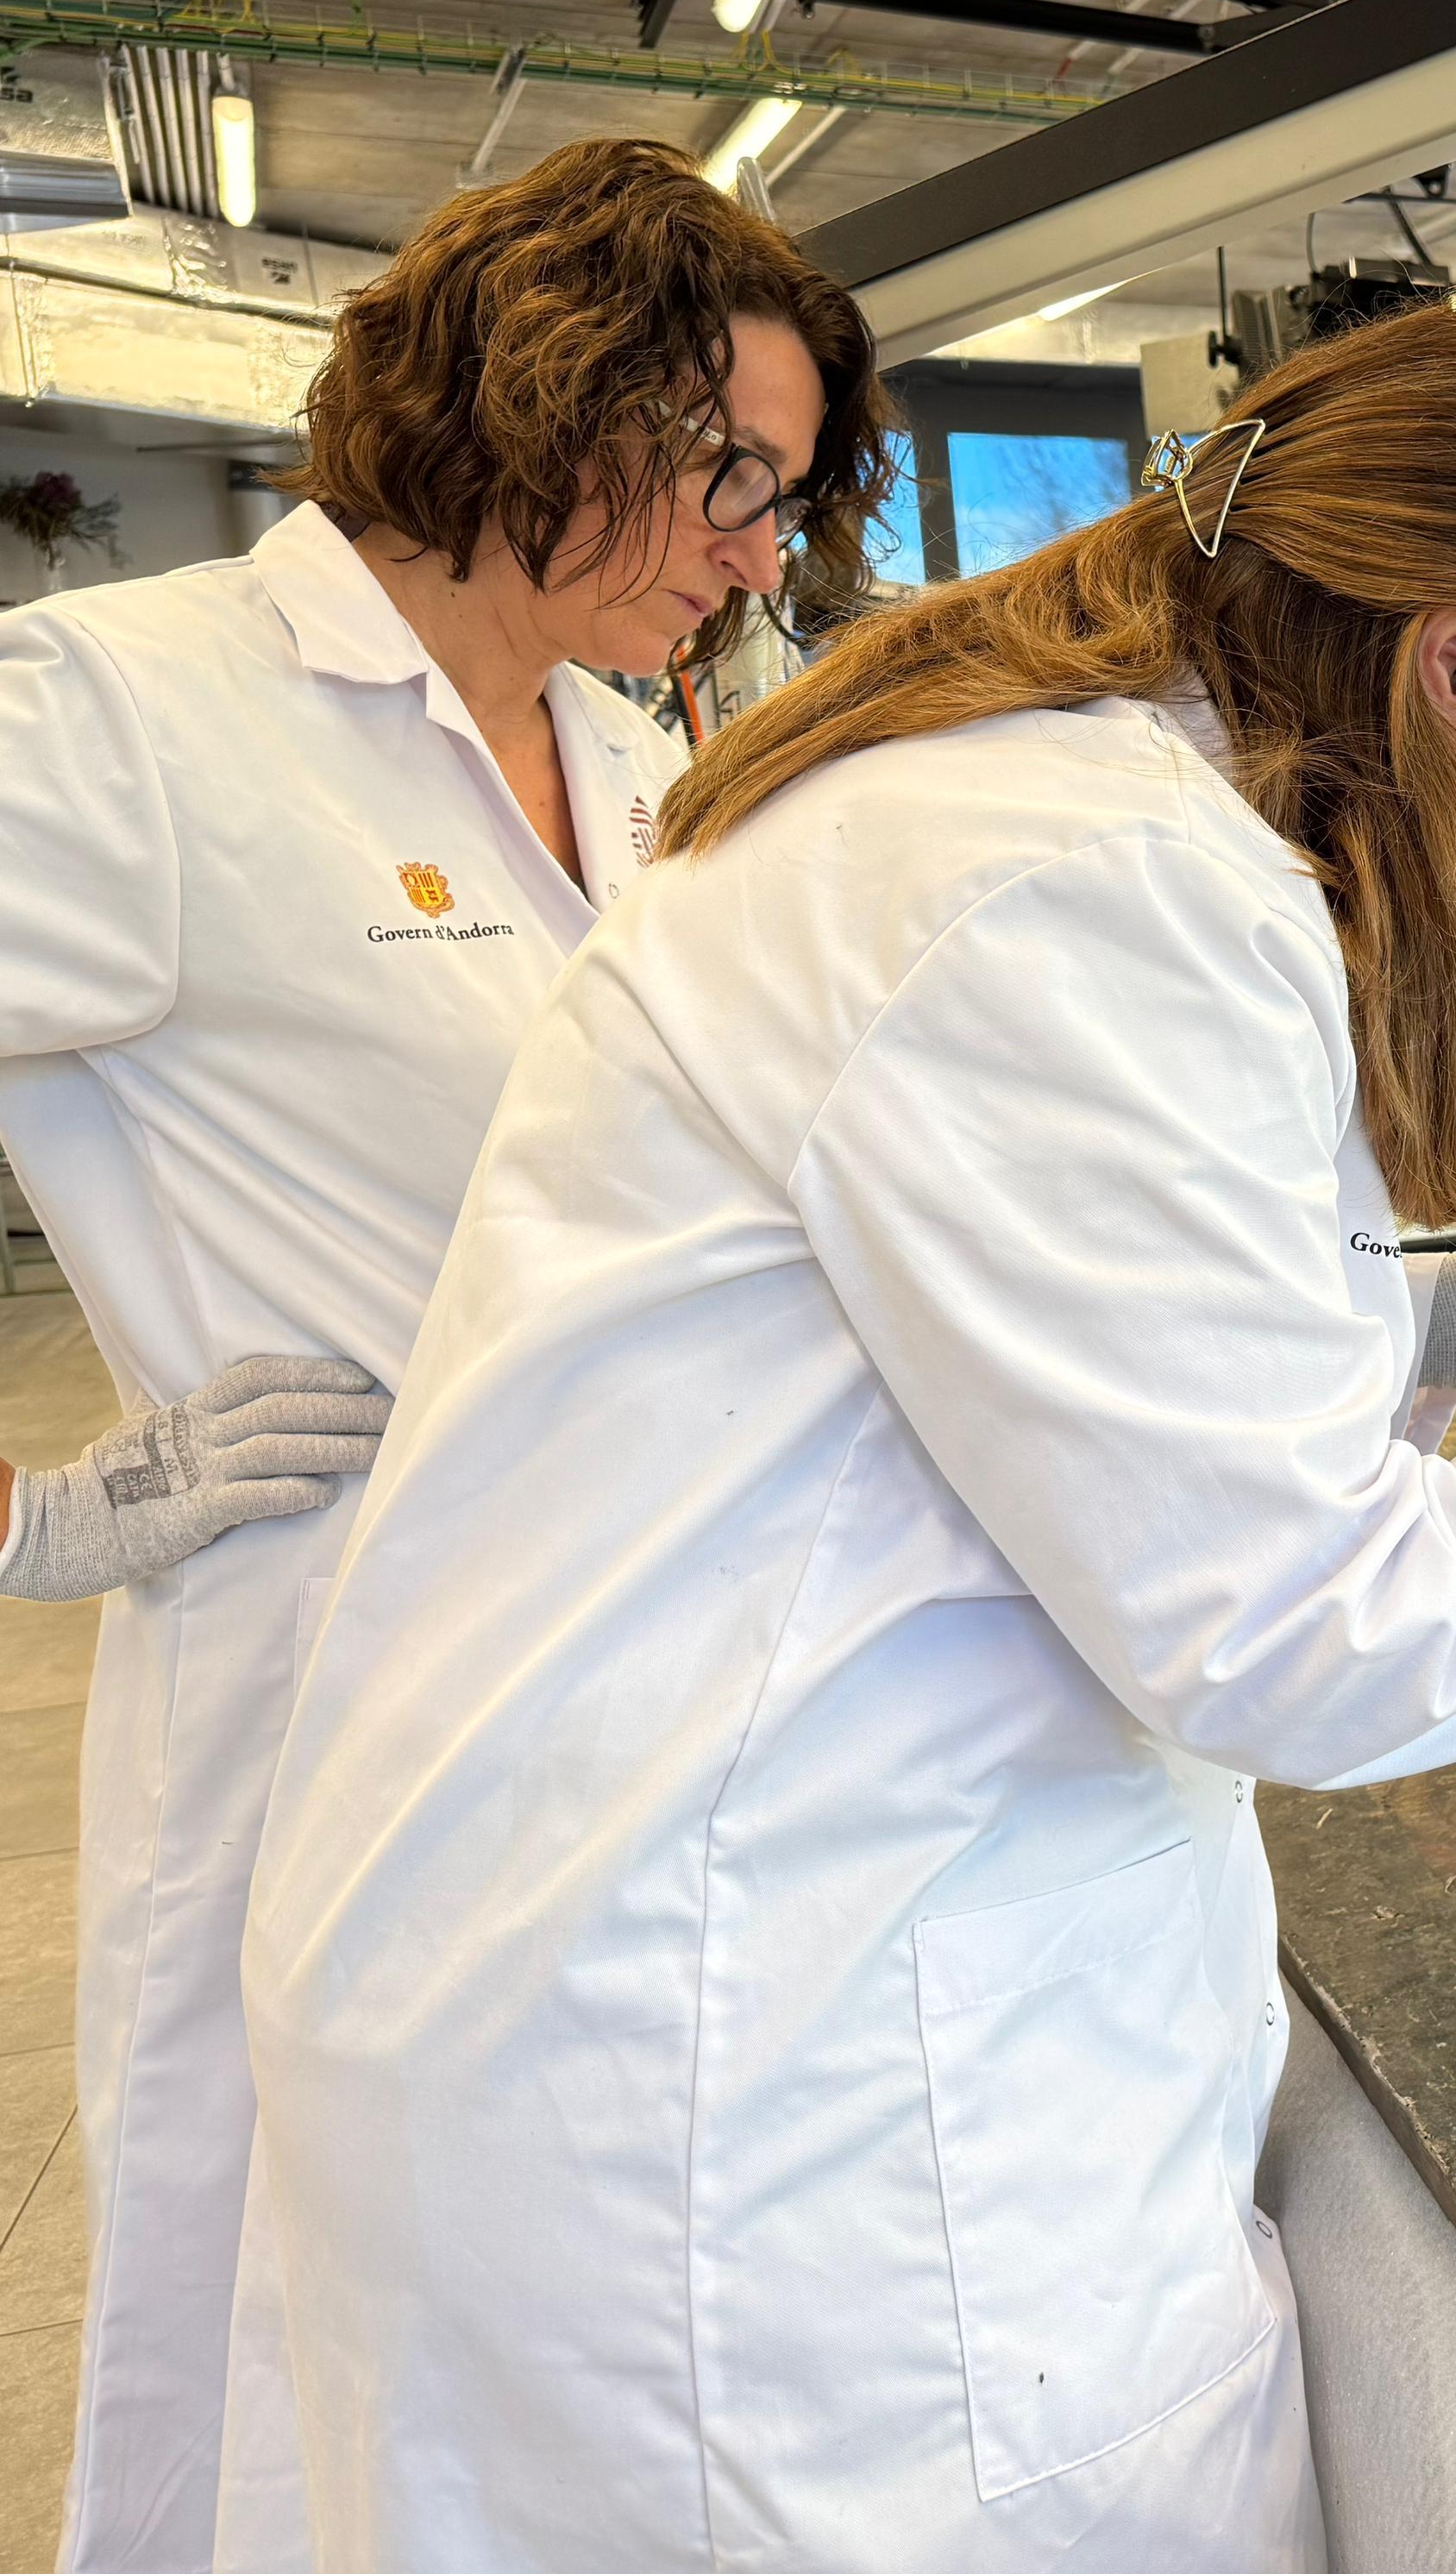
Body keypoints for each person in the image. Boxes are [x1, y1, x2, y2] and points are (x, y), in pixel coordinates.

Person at [237, 300, 1456, 2571]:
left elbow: (990, 1335)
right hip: (757, 2115)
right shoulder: (1098, 886)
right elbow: (1301, 1633)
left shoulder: (1026, 802)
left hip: (631, 1953)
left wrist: (1445, 1307)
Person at [0, 134, 892, 2572]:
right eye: (734, 479)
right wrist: (30, 1517)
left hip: (613, 1717)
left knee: (521, 2400)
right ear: (546, 399)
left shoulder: (639, 762)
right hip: (314, 1712)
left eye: (788, 506)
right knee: (262, 2383)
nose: (754, 552)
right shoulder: (133, 718)